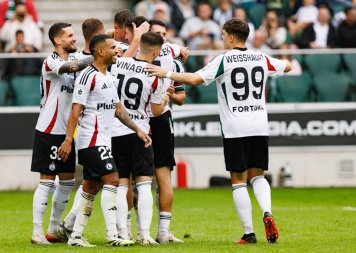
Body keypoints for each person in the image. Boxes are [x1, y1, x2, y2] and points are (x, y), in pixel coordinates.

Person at [146, 18, 291, 244]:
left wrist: (165, 73)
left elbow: (194, 78)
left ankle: (249, 232)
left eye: (223, 35)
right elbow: (287, 66)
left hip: (235, 127)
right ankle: (267, 212)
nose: (221, 39)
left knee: (238, 180)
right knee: (258, 174)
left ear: (231, 37)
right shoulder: (260, 57)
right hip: (259, 125)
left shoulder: (223, 60)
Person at [58, 34, 151, 247]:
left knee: (91, 186)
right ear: (100, 51)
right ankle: (112, 235)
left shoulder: (109, 77)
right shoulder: (87, 76)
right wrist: (68, 140)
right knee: (112, 178)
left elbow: (118, 110)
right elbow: (76, 109)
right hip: (90, 140)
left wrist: (137, 129)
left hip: (103, 140)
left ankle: (75, 236)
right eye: (112, 47)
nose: (117, 51)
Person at [30, 22, 93, 245]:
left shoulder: (70, 63)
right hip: (48, 129)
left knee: (66, 182)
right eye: (69, 36)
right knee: (46, 182)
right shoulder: (52, 61)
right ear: (57, 40)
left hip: (67, 132)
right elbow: (74, 67)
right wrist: (98, 54)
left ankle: (53, 229)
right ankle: (37, 232)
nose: (73, 39)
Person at [110, 32, 170, 245]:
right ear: (155, 52)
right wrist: (165, 98)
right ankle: (143, 234)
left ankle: (122, 232)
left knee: (122, 183)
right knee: (144, 183)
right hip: (139, 131)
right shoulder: (155, 75)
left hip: (115, 131)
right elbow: (155, 111)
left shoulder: (119, 64)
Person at [53, 18, 107, 242]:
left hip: (93, 128)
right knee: (106, 179)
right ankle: (64, 229)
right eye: (69, 35)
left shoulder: (90, 57)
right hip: (86, 129)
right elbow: (77, 103)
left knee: (97, 180)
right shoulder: (85, 63)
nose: (73, 38)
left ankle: (66, 226)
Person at [149, 19, 186, 244]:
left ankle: (163, 231)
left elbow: (181, 98)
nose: (163, 37)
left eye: (165, 33)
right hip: (140, 121)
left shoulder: (174, 63)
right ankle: (131, 230)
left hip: (162, 120)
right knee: (136, 179)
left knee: (163, 178)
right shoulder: (134, 59)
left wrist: (170, 93)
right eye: (157, 33)